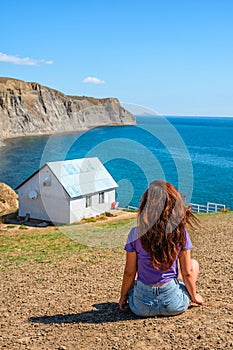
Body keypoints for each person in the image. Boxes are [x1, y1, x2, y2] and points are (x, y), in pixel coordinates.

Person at [119, 180, 204, 317]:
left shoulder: (135, 234)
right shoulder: (180, 233)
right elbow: (187, 272)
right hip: (173, 305)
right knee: (194, 264)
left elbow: (129, 272)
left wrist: (123, 296)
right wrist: (194, 296)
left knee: (135, 284)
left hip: (141, 308)